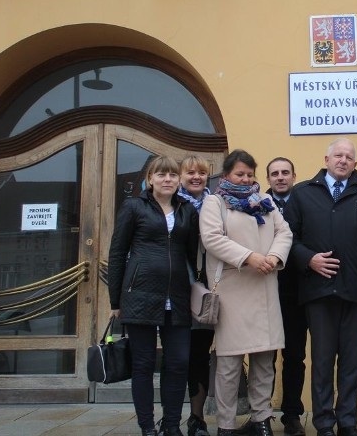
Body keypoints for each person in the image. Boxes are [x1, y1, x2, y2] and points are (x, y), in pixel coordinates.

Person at [284, 138, 357, 436]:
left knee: (351, 363)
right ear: (326, 159)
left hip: (354, 292)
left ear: (355, 164)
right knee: (322, 362)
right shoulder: (303, 194)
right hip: (317, 292)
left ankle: (348, 423)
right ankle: (324, 424)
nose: (343, 160)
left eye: (349, 157)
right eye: (338, 155)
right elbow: (287, 239)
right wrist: (309, 259)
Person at [199, 149, 293, 436]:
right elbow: (212, 238)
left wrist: (275, 258)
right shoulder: (214, 203)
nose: (245, 178)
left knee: (265, 359)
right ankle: (226, 425)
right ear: (226, 175)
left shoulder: (264, 201)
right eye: (240, 174)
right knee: (229, 362)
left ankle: (261, 420)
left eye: (250, 174)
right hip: (232, 287)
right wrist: (250, 257)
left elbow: (284, 232)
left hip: (265, 286)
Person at [108, 156, 199, 436]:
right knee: (144, 364)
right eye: (161, 175)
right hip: (140, 295)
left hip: (178, 298)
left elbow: (192, 254)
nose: (168, 179)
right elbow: (117, 253)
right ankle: (147, 426)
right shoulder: (134, 206)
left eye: (173, 175)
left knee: (178, 362)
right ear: (150, 179)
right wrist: (115, 300)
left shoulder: (187, 211)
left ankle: (171, 424)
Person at [266, 157, 309, 436]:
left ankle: (291, 414)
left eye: (285, 173)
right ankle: (262, 414)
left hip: (298, 291)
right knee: (263, 356)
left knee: (295, 355)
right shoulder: (256, 205)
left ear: (294, 175)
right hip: (264, 290)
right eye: (274, 174)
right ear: (268, 179)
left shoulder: (306, 202)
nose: (280, 177)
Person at [178, 155, 214, 436]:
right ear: (180, 175)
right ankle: (169, 419)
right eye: (190, 172)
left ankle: (197, 417)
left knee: (201, 354)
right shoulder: (168, 203)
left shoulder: (218, 203)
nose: (196, 177)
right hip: (176, 287)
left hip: (209, 289)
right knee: (178, 356)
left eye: (201, 172)